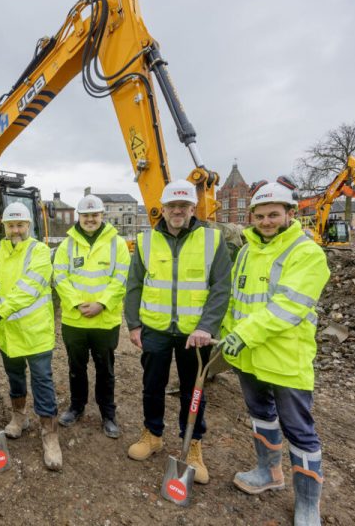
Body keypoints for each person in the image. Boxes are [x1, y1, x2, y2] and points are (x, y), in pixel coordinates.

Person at [219, 181, 329, 525]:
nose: (266, 221)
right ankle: (269, 473)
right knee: (261, 415)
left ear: (289, 214)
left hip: (284, 358)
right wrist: (223, 335)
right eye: (260, 215)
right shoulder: (248, 251)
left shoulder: (306, 253)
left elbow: (288, 307)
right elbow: (236, 302)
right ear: (251, 217)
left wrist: (243, 335)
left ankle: (308, 504)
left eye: (273, 215)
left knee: (299, 429)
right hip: (248, 357)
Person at [124, 179, 231, 484]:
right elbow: (134, 285)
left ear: (192, 208)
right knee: (152, 386)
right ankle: (152, 434)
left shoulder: (212, 240)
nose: (178, 211)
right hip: (155, 329)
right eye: (173, 206)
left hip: (195, 334)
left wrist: (206, 326)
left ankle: (193, 446)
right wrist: (134, 323)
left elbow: (221, 288)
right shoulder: (145, 241)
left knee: (192, 392)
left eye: (183, 206)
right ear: (164, 209)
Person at [0, 202, 62, 470]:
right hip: (8, 333)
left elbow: (30, 287)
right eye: (11, 225)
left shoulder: (39, 251)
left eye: (20, 225)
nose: (15, 230)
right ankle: (19, 418)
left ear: (29, 226)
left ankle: (50, 434)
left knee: (42, 380)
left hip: (35, 332)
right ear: (4, 226)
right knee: (15, 377)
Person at [53, 194, 130, 438]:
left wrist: (102, 304)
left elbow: (121, 278)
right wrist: (76, 304)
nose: (90, 219)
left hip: (105, 320)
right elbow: (60, 277)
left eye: (94, 215)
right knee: (76, 367)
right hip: (74, 321)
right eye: (86, 215)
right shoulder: (67, 245)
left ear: (101, 216)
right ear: (79, 217)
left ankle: (108, 413)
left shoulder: (117, 244)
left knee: (105, 369)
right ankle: (77, 407)